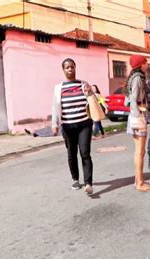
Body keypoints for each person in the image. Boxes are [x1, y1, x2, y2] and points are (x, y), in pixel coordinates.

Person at [51, 58, 94, 195]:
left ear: (75, 68)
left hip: (84, 124)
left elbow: (93, 100)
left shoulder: (83, 84)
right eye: (67, 67)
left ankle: (88, 183)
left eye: (72, 67)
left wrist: (90, 91)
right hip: (68, 126)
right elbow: (55, 106)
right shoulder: (59, 88)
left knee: (85, 153)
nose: (70, 69)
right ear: (63, 70)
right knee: (71, 154)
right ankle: (75, 179)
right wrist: (54, 123)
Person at [125, 55, 150, 192]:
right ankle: (140, 183)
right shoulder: (138, 79)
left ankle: (138, 180)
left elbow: (128, 99)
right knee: (140, 152)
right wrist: (138, 116)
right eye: (145, 62)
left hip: (136, 116)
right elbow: (132, 100)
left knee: (139, 152)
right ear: (140, 65)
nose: (147, 64)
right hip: (138, 117)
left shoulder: (135, 78)